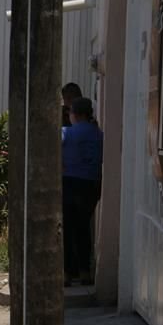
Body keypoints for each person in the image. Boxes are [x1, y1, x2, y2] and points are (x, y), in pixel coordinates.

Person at [62, 97, 103, 286]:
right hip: (91, 184)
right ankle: (85, 271)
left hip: (69, 183)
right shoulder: (98, 134)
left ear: (75, 114)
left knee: (68, 229)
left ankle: (68, 273)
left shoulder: (66, 133)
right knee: (83, 227)